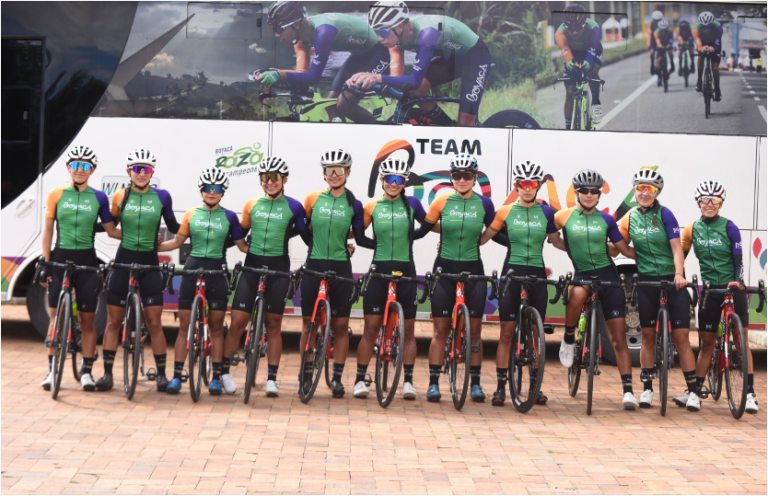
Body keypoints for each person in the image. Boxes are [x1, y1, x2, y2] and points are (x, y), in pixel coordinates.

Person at [220, 157, 309, 397]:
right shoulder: (251, 204)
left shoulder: (295, 207)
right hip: (252, 268)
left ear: (284, 179)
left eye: (275, 177)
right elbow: (239, 235)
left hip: (278, 270)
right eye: (265, 177)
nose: (269, 182)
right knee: (237, 322)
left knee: (273, 326)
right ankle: (224, 373)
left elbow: (308, 238)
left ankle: (272, 378)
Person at [479, 161, 566, 407]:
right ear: (516, 186)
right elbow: (485, 237)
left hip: (537, 273)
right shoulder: (505, 212)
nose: (528, 189)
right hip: (512, 274)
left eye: (533, 185)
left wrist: (579, 250)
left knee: (537, 334)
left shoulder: (546, 212)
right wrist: (454, 243)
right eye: (523, 184)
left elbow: (556, 242)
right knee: (506, 333)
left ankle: (535, 386)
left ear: (538, 187)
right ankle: (500, 387)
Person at [413, 153, 495, 402]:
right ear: (451, 177)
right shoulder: (441, 202)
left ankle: (476, 384)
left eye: (467, 175)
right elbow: (421, 231)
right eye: (457, 175)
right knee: (440, 332)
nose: (462, 179)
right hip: (444, 271)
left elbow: (495, 231)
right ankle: (433, 383)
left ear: (474, 178)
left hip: (474, 271)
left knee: (476, 333)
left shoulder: (485, 205)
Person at [158, 168, 248, 396]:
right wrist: (153, 246)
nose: (211, 192)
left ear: (222, 192)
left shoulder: (229, 217)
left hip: (217, 272)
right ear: (201, 190)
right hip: (192, 270)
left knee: (217, 328)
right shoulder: (191, 213)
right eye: (207, 188)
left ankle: (216, 377)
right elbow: (177, 242)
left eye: (216, 189)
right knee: (184, 328)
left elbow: (242, 246)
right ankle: (177, 376)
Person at [616, 169, 699, 411]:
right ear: (634, 191)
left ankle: (693, 391)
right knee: (648, 337)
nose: (644, 192)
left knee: (681, 337)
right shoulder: (629, 218)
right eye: (640, 187)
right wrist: (616, 246)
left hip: (673, 283)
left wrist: (679, 274)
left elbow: (676, 248)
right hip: (647, 283)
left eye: (650, 188)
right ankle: (648, 389)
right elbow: (622, 247)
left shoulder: (665, 214)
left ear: (657, 192)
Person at [556, 170, 639, 410]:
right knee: (577, 293)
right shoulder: (563, 217)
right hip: (582, 274)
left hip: (608, 277)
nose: (589, 195)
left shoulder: (607, 220)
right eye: (584, 190)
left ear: (599, 194)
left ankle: (628, 391)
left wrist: (656, 259)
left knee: (619, 338)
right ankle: (569, 338)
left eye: (594, 191)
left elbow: (622, 249)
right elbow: (550, 236)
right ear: (576, 192)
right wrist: (568, 248)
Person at [99, 149, 180, 392]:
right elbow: (110, 229)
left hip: (149, 265)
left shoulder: (163, 197)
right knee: (113, 322)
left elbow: (175, 227)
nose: (141, 173)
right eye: (137, 169)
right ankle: (107, 374)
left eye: (146, 169)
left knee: (155, 323)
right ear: (129, 172)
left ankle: (162, 375)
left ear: (152, 172)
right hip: (123, 262)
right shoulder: (119, 197)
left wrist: (197, 227)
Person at [40, 145, 119, 391]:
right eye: (76, 165)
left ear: (92, 170)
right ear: (68, 168)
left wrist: (141, 237)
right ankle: (52, 371)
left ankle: (86, 371)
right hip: (59, 260)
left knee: (87, 321)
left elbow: (111, 230)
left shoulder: (99, 197)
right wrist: (44, 263)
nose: (80, 170)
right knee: (55, 319)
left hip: (87, 262)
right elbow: (48, 230)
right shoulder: (55, 194)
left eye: (85, 166)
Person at [299, 149, 373, 398]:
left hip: (341, 266)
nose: (334, 175)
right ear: (324, 174)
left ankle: (338, 377)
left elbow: (358, 235)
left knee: (341, 327)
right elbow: (306, 231)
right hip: (314, 265)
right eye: (329, 170)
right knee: (309, 325)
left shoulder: (354, 204)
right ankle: (307, 372)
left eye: (339, 170)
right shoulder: (312, 199)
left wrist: (348, 246)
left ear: (348, 173)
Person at [353, 157, 428, 400]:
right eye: (388, 179)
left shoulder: (413, 204)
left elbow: (426, 227)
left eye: (398, 179)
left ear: (404, 181)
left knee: (408, 331)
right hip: (379, 271)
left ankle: (408, 381)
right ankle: (359, 379)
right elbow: (360, 237)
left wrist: (408, 238)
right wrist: (380, 244)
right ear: (382, 181)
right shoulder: (372, 207)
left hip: (406, 272)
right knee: (371, 330)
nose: (393, 184)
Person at [681, 181, 758, 414]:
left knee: (742, 343)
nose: (709, 204)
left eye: (714, 200)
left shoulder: (730, 227)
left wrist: (737, 282)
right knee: (706, 344)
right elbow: (679, 257)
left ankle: (750, 393)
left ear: (721, 203)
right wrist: (679, 277)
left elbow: (738, 262)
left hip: (732, 288)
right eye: (705, 199)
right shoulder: (691, 229)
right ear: (698, 203)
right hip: (709, 291)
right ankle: (696, 392)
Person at [351, 0, 492, 126]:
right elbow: (396, 81)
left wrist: (376, 77)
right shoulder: (394, 42)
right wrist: (362, 79)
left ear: (400, 27)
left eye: (383, 31)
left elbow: (415, 80)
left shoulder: (427, 35)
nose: (380, 38)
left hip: (475, 57)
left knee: (466, 125)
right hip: (451, 58)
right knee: (413, 92)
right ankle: (446, 126)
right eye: (376, 32)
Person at [258, 0, 403, 123]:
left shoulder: (324, 32)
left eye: (278, 28)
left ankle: (380, 133)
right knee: (330, 104)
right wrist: (272, 73)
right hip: (360, 55)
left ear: (296, 25)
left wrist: (279, 75)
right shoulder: (301, 37)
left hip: (379, 52)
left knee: (344, 105)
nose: (276, 35)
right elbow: (302, 73)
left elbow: (312, 78)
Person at [555, 4, 605, 127]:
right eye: (571, 29)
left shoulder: (593, 29)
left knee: (592, 71)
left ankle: (595, 102)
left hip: (592, 50)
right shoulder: (560, 33)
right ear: (565, 27)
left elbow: (592, 50)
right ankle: (568, 125)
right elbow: (566, 52)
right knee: (570, 92)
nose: (575, 32)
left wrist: (587, 63)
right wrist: (571, 63)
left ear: (585, 24)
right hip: (573, 53)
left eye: (578, 28)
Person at [692, 11, 723, 101]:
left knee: (715, 68)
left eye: (709, 27)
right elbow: (698, 45)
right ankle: (699, 80)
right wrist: (702, 48)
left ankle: (717, 88)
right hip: (703, 43)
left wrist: (714, 49)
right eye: (704, 27)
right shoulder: (695, 29)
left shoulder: (718, 28)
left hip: (714, 44)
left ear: (712, 25)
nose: (706, 30)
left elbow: (717, 44)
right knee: (700, 57)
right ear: (700, 26)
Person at [653, 19, 675, 85]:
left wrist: (669, 46)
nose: (663, 32)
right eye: (661, 30)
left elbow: (671, 40)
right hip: (660, 45)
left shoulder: (670, 31)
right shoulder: (656, 32)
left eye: (665, 30)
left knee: (670, 53)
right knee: (659, 60)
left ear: (667, 29)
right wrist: (661, 46)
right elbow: (657, 41)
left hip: (667, 44)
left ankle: (672, 64)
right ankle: (659, 76)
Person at [647, 10, 664, 76]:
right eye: (656, 20)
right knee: (652, 53)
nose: (657, 22)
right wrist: (648, 44)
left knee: (661, 56)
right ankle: (652, 64)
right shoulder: (650, 23)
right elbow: (648, 34)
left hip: (661, 40)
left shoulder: (663, 22)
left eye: (658, 20)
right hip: (653, 40)